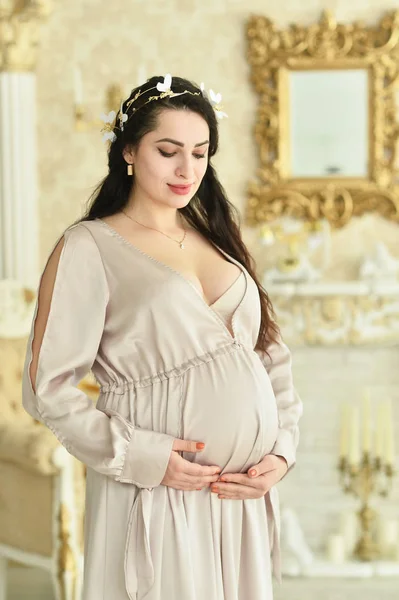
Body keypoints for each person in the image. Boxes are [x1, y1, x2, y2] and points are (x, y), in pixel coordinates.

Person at [22, 74, 303, 600]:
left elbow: (271, 358)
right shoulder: (90, 246)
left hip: (240, 494)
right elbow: (48, 389)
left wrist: (280, 455)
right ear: (128, 149)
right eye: (168, 150)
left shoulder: (218, 240)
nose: (186, 169)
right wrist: (144, 458)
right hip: (156, 487)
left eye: (200, 153)